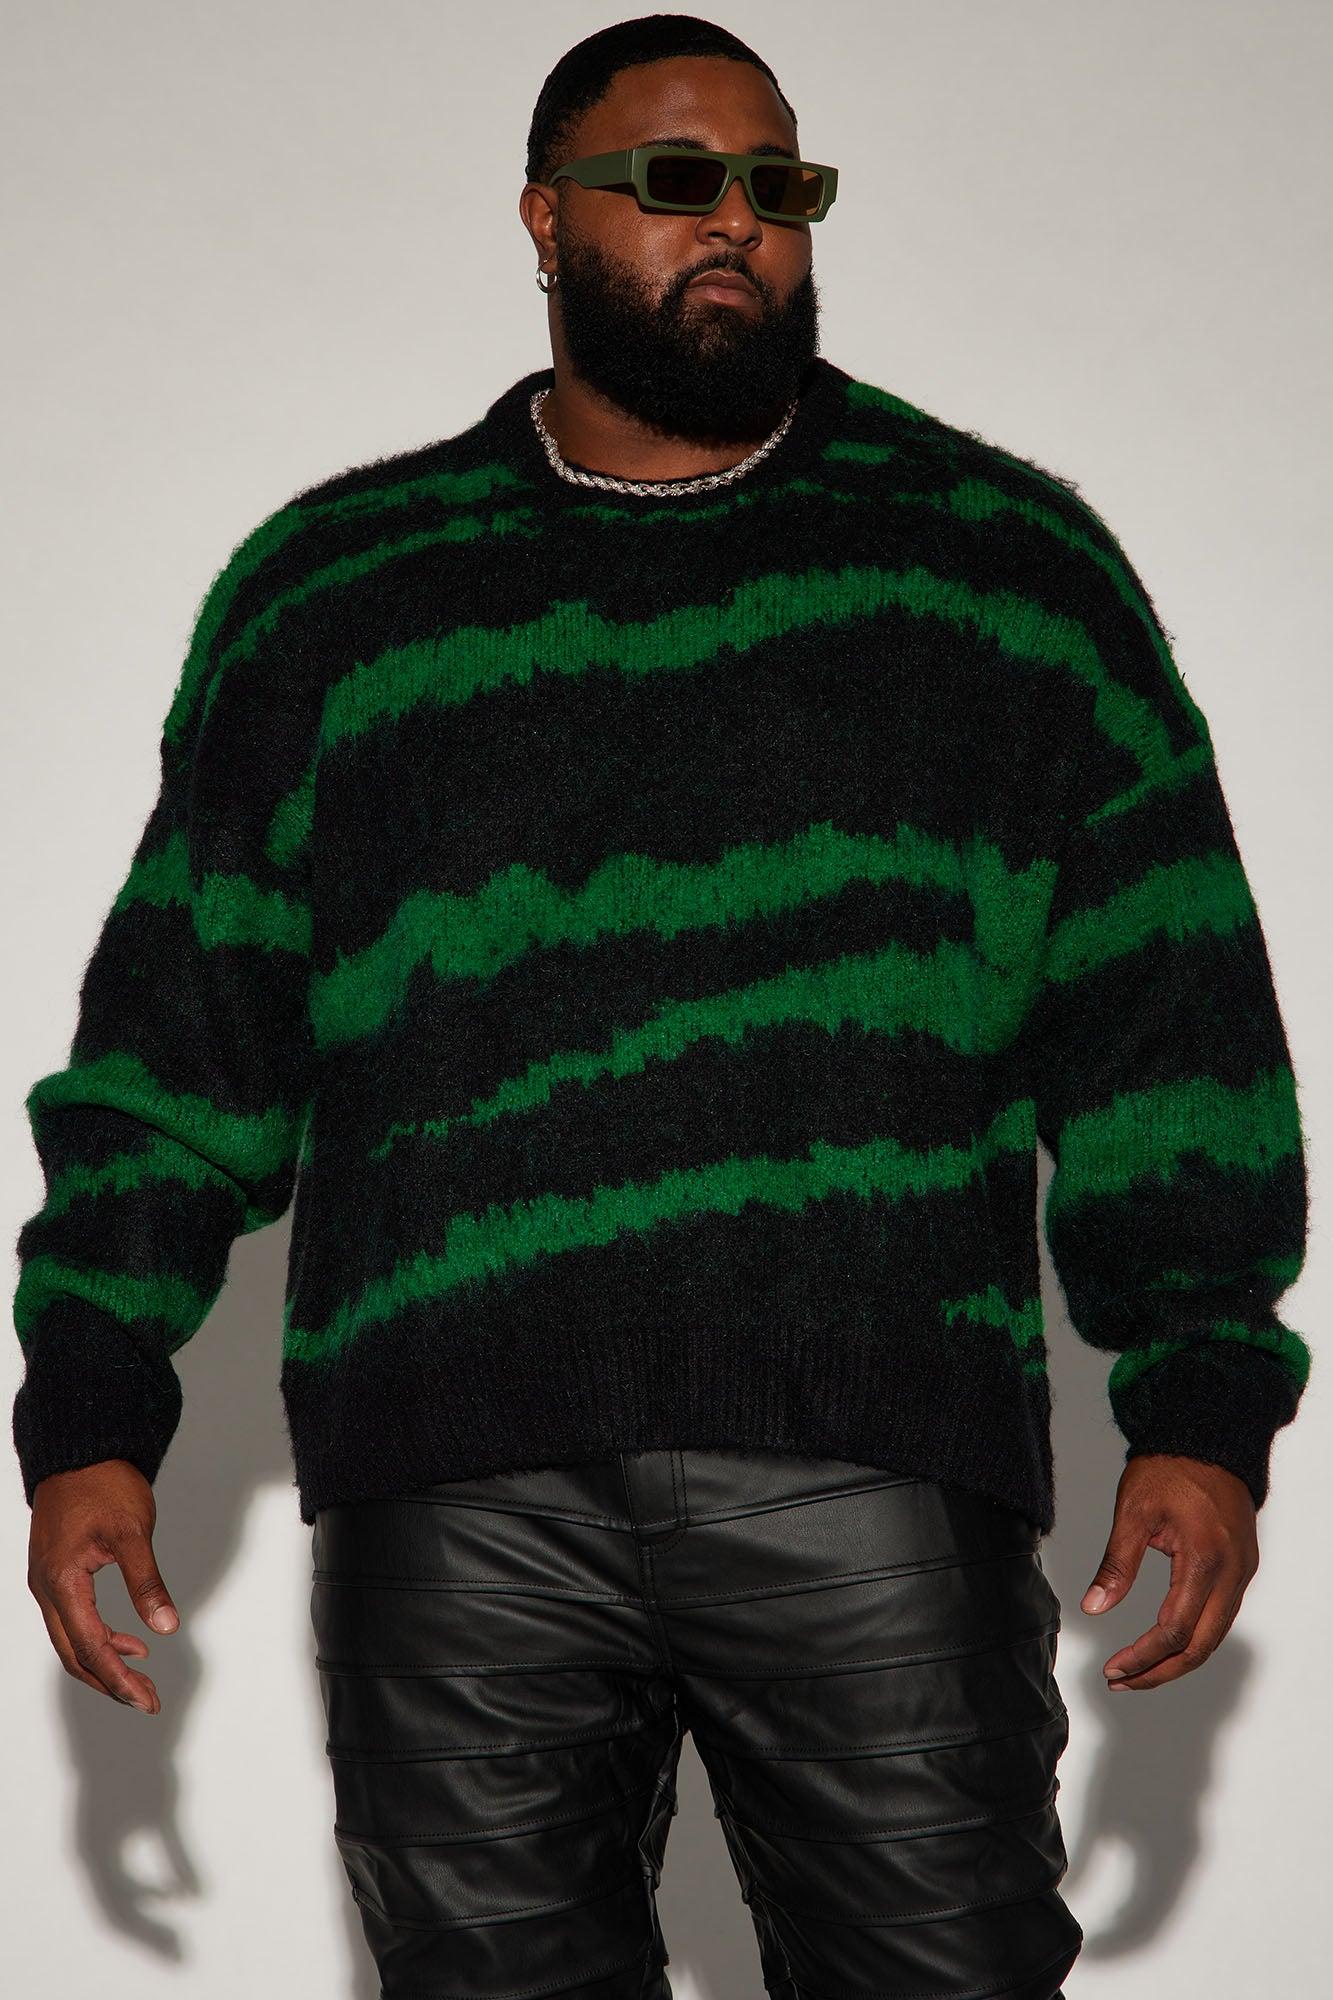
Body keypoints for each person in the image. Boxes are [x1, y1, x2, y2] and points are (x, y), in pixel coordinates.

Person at [13, 14, 1310, 1998]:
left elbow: (1169, 1015)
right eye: (677, 179)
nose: (739, 225)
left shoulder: (996, 574)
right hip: (452, 1488)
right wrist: (92, 1405)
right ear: (545, 218)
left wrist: (1202, 1400)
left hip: (871, 1465)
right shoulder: (340, 596)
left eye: (779, 185)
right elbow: (182, 1042)